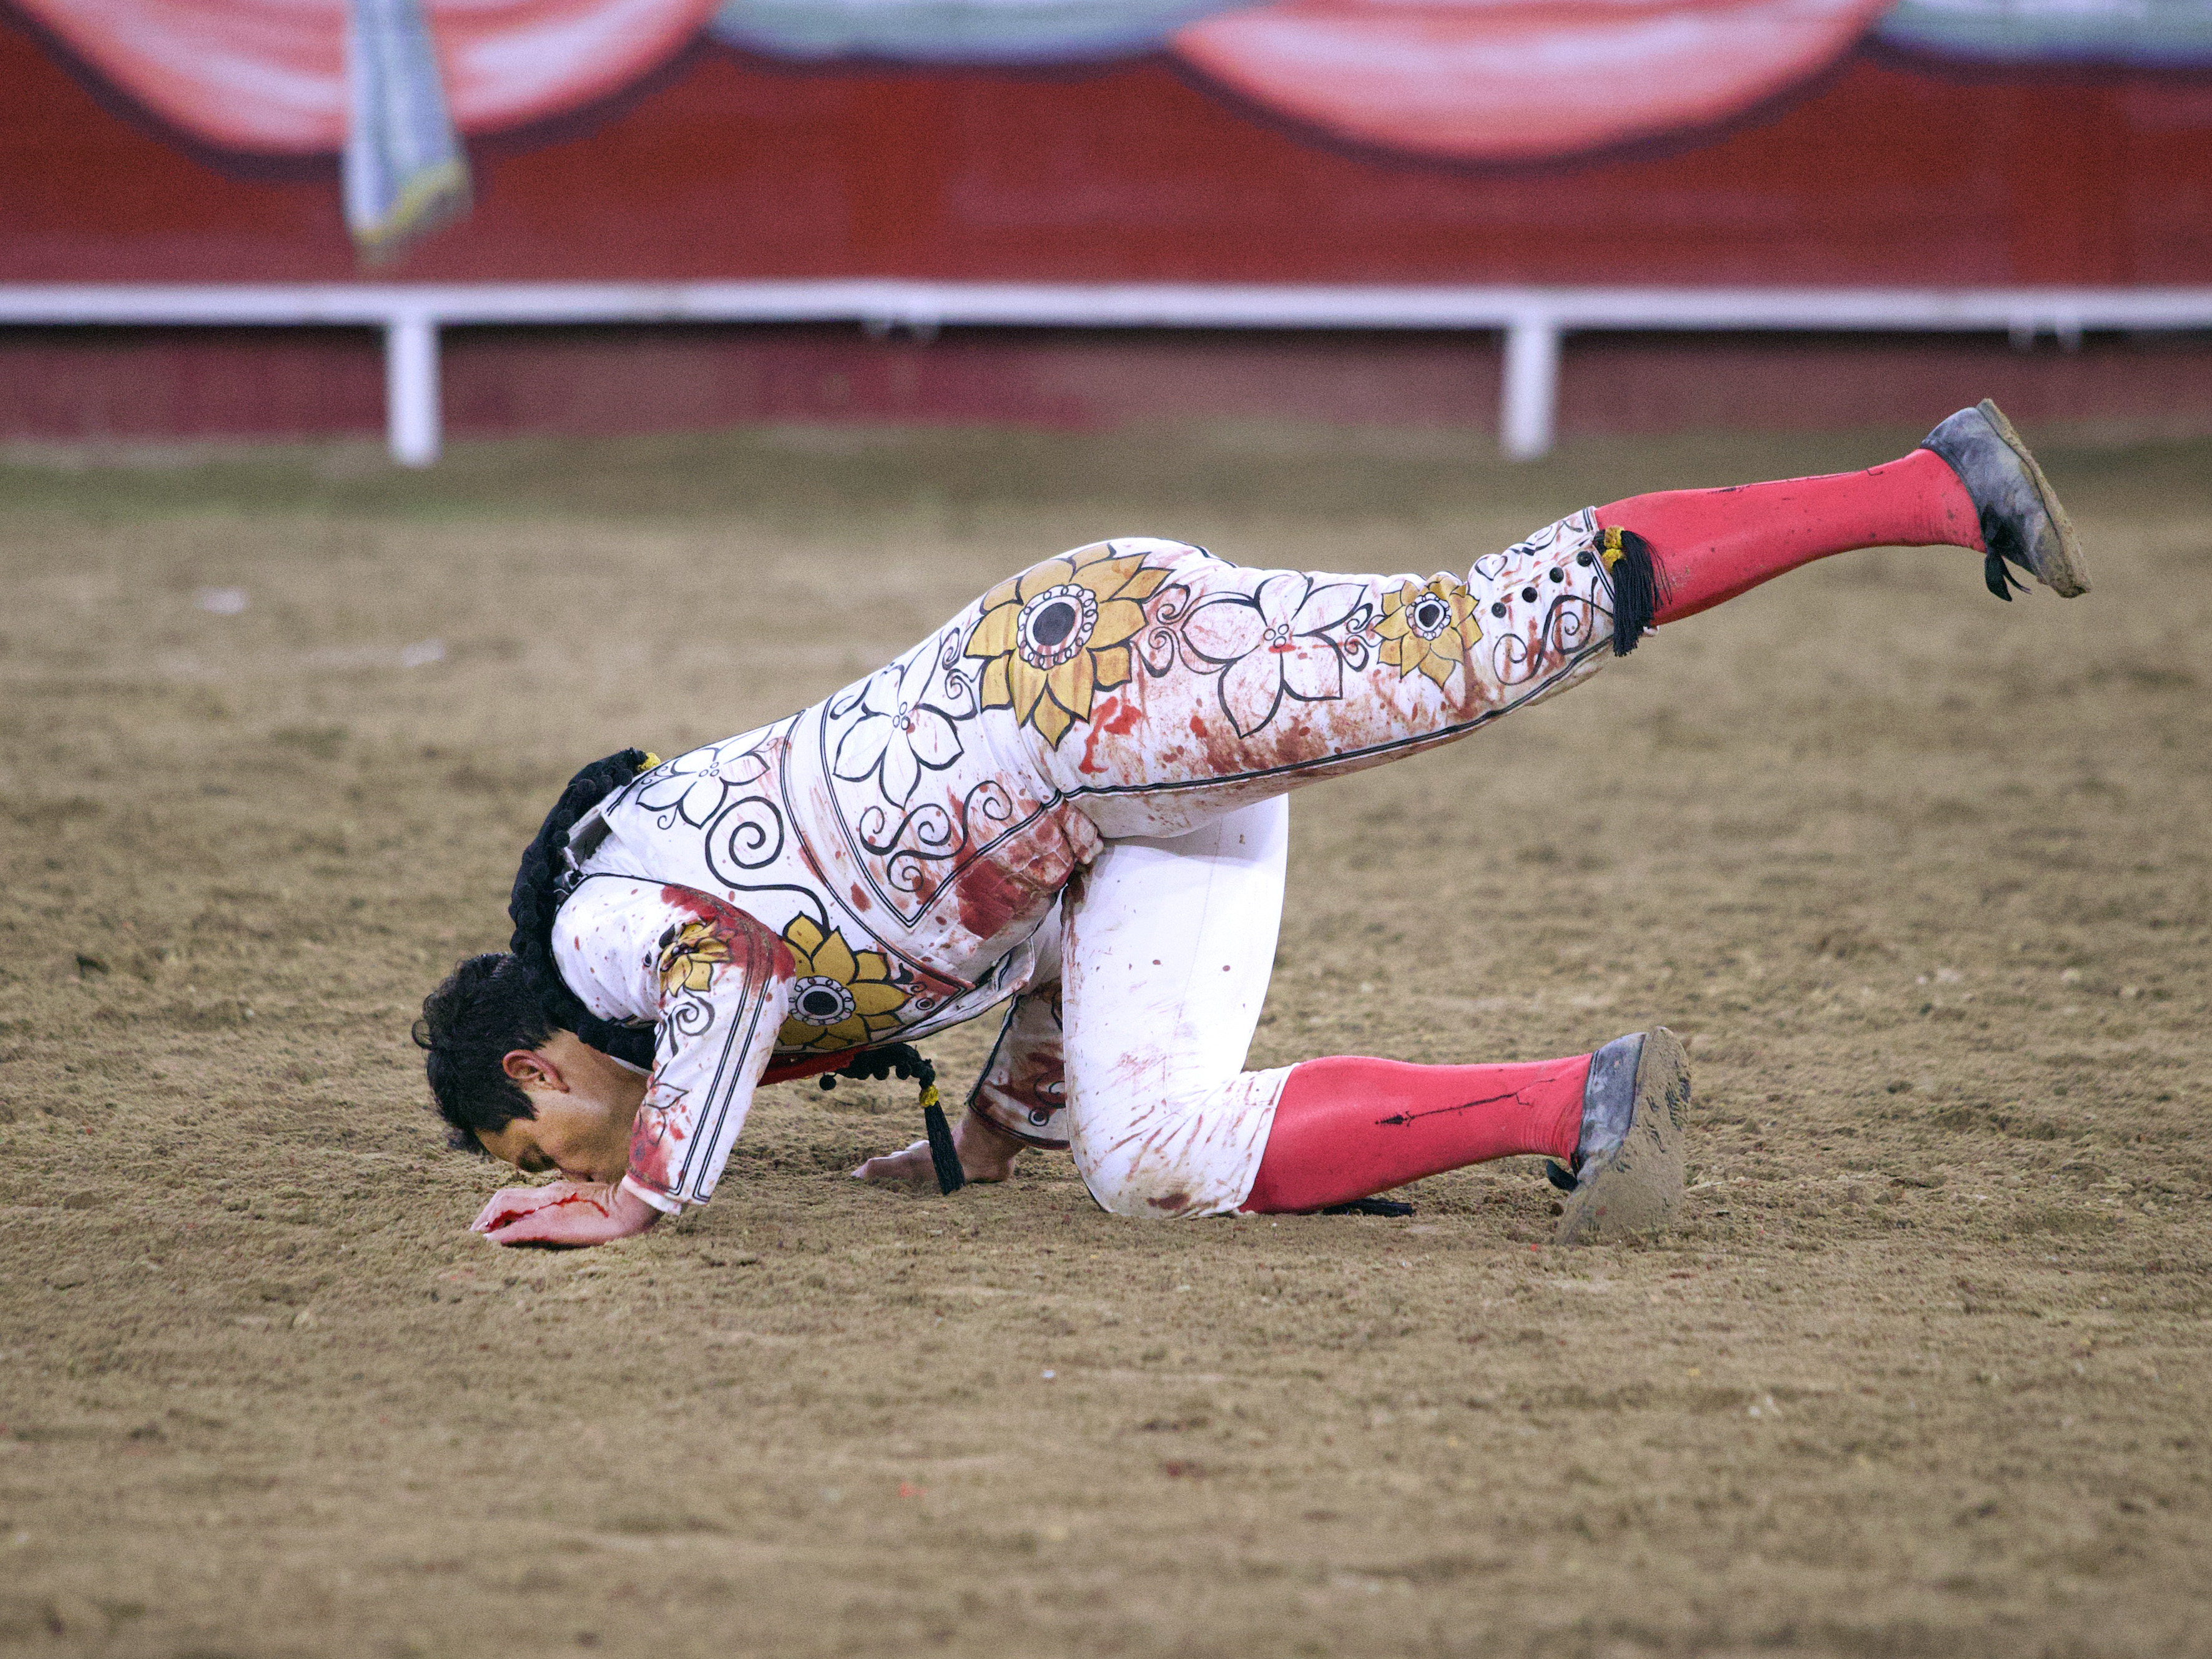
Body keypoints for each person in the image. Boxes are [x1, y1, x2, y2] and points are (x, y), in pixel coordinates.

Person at [413, 401, 2088, 1249]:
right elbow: (1007, 901)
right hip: (1098, 774)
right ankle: (1582, 1103)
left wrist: (639, 1192)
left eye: (529, 1156)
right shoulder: (647, 923)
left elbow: (738, 959)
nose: (547, 1172)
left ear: (535, 1076)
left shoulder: (594, 934)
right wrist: (994, 1128)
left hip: (1094, 693)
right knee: (1145, 1166)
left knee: (1487, 636)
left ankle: (1930, 485)